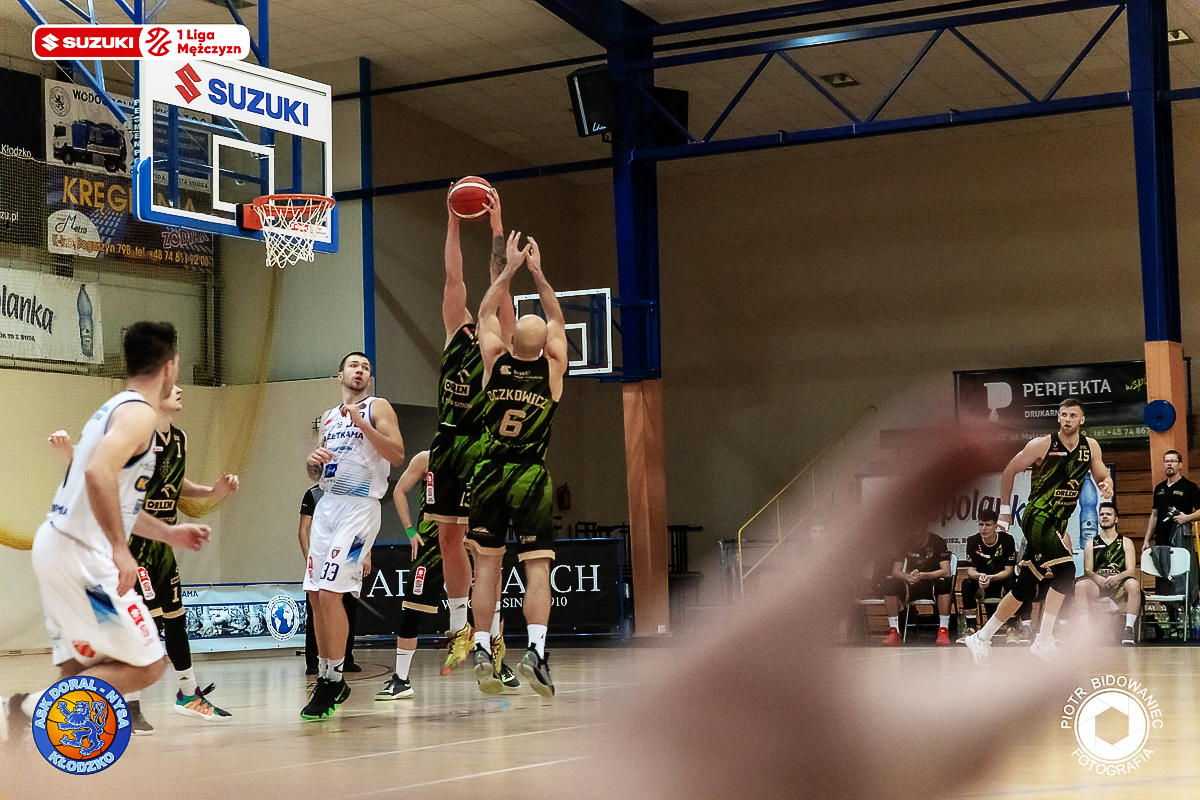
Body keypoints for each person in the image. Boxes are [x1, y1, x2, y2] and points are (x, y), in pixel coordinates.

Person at [1, 322, 210, 743]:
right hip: (81, 555)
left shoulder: (114, 407)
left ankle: (37, 745)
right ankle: (19, 708)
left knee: (81, 663)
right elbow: (98, 473)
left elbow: (114, 497)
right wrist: (120, 548)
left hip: (57, 544)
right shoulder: (140, 414)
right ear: (170, 367)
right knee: (148, 664)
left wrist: (168, 534)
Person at [46, 385, 239, 733]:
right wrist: (69, 454)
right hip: (133, 540)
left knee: (175, 619)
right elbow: (99, 473)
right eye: (171, 385)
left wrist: (212, 491)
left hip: (163, 539)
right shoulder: (135, 433)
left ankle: (188, 694)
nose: (178, 389)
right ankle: (128, 706)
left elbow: (176, 484)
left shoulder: (178, 438)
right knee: (138, 625)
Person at [466, 232, 567, 697]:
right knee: (537, 568)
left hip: (489, 472)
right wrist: (538, 273)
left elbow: (485, 313)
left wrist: (508, 270)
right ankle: (536, 653)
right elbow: (556, 317)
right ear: (546, 345)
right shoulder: (553, 369)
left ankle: (481, 648)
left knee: (487, 569)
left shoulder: (494, 359)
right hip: (529, 474)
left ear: (511, 342)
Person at [425, 186, 515, 675]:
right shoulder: (454, 328)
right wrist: (454, 219)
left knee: (484, 546)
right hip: (447, 441)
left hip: (483, 446)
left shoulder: (500, 338)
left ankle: (493, 634)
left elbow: (500, 280)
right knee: (448, 539)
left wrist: (497, 227)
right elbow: (453, 275)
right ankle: (460, 626)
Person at [965, 397, 1112, 664]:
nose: (1067, 419)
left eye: (1072, 415)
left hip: (1058, 522)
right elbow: (1009, 471)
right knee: (1066, 571)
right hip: (1038, 517)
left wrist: (1107, 482)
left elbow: (1101, 473)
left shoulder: (1090, 447)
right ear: (1058, 417)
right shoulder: (1042, 445)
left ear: (1082, 419)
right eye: (1063, 414)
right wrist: (1005, 510)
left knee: (1024, 588)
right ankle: (1043, 639)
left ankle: (981, 638)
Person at [302, 352, 404, 720]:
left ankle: (335, 677)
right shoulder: (329, 416)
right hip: (327, 506)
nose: (360, 371)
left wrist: (363, 425)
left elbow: (397, 454)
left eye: (365, 367)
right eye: (354, 366)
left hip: (359, 509)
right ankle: (326, 676)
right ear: (340, 374)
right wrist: (312, 464)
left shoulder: (377, 407)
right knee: (315, 595)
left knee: (333, 594)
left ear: (369, 378)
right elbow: (318, 475)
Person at [374, 450, 520, 700]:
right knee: (412, 609)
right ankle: (401, 679)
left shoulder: (480, 458)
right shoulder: (425, 459)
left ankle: (497, 662)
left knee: (492, 593)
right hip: (432, 541)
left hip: (470, 538)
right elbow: (399, 490)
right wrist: (409, 531)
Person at [298, 484, 362, 677]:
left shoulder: (352, 491)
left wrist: (362, 555)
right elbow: (303, 530)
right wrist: (310, 558)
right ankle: (314, 661)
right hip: (320, 560)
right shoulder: (313, 494)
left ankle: (345, 659)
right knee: (317, 609)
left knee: (347, 609)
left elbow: (359, 528)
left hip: (345, 560)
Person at [1077, 502, 1140, 645]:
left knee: (1134, 584)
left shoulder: (1126, 542)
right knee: (1080, 586)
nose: (1104, 517)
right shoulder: (1090, 543)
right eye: (1102, 514)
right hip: (1098, 585)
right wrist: (1096, 577)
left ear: (1116, 519)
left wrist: (1118, 577)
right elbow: (1087, 570)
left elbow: (1131, 570)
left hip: (1119, 584)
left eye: (1108, 514)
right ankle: (1084, 631)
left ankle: (1128, 629)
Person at [879, 528, 954, 646]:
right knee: (890, 584)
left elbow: (946, 572)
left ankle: (943, 631)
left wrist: (924, 575)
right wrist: (907, 577)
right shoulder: (904, 542)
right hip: (912, 584)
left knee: (944, 583)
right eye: (913, 534)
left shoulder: (937, 541)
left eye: (918, 536)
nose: (916, 539)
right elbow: (895, 572)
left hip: (932, 583)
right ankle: (894, 631)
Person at [1142, 449, 1200, 599]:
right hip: (1161, 540)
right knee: (1162, 576)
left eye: (1173, 461)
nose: (1169, 464)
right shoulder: (1159, 488)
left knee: (1181, 575)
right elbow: (1154, 515)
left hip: (1181, 539)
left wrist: (1187, 518)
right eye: (1167, 461)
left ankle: (1185, 606)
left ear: (1180, 465)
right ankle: (1166, 610)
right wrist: (1147, 539)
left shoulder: (1189, 486)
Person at [957, 508, 1020, 644]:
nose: (984, 528)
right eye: (981, 524)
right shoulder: (973, 540)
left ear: (996, 526)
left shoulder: (1007, 540)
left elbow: (1009, 571)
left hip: (1000, 580)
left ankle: (1012, 628)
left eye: (988, 525)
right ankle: (971, 628)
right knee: (967, 584)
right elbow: (970, 570)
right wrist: (980, 576)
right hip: (981, 582)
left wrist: (991, 578)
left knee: (1012, 582)